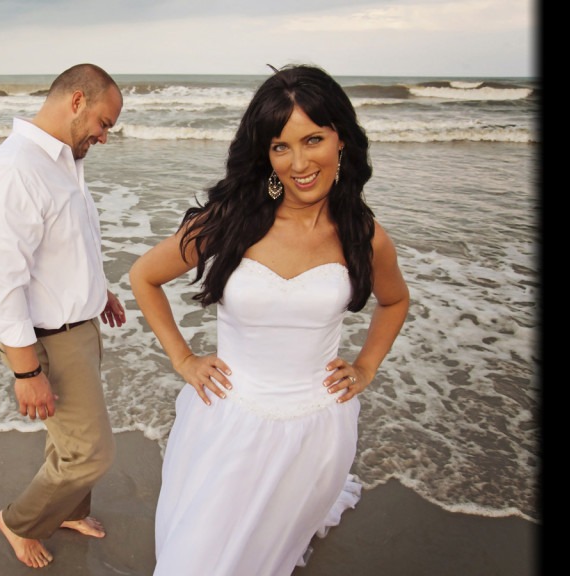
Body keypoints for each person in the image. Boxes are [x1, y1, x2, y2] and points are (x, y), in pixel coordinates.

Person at [129, 63, 410, 575]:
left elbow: (395, 302)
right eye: (281, 146)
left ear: (342, 141)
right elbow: (144, 276)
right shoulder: (230, 220)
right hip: (226, 422)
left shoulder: (362, 234)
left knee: (263, 554)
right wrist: (185, 360)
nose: (299, 162)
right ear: (264, 153)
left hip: (316, 431)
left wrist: (366, 367)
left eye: (313, 140)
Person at [0, 63, 127, 569]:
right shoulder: (16, 168)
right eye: (104, 123)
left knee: (69, 441)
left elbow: (66, 246)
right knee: (90, 453)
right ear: (77, 101)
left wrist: (97, 291)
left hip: (76, 327)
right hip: (47, 339)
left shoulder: (63, 162)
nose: (105, 137)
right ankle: (18, 522)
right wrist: (26, 371)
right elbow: (1, 282)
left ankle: (67, 509)